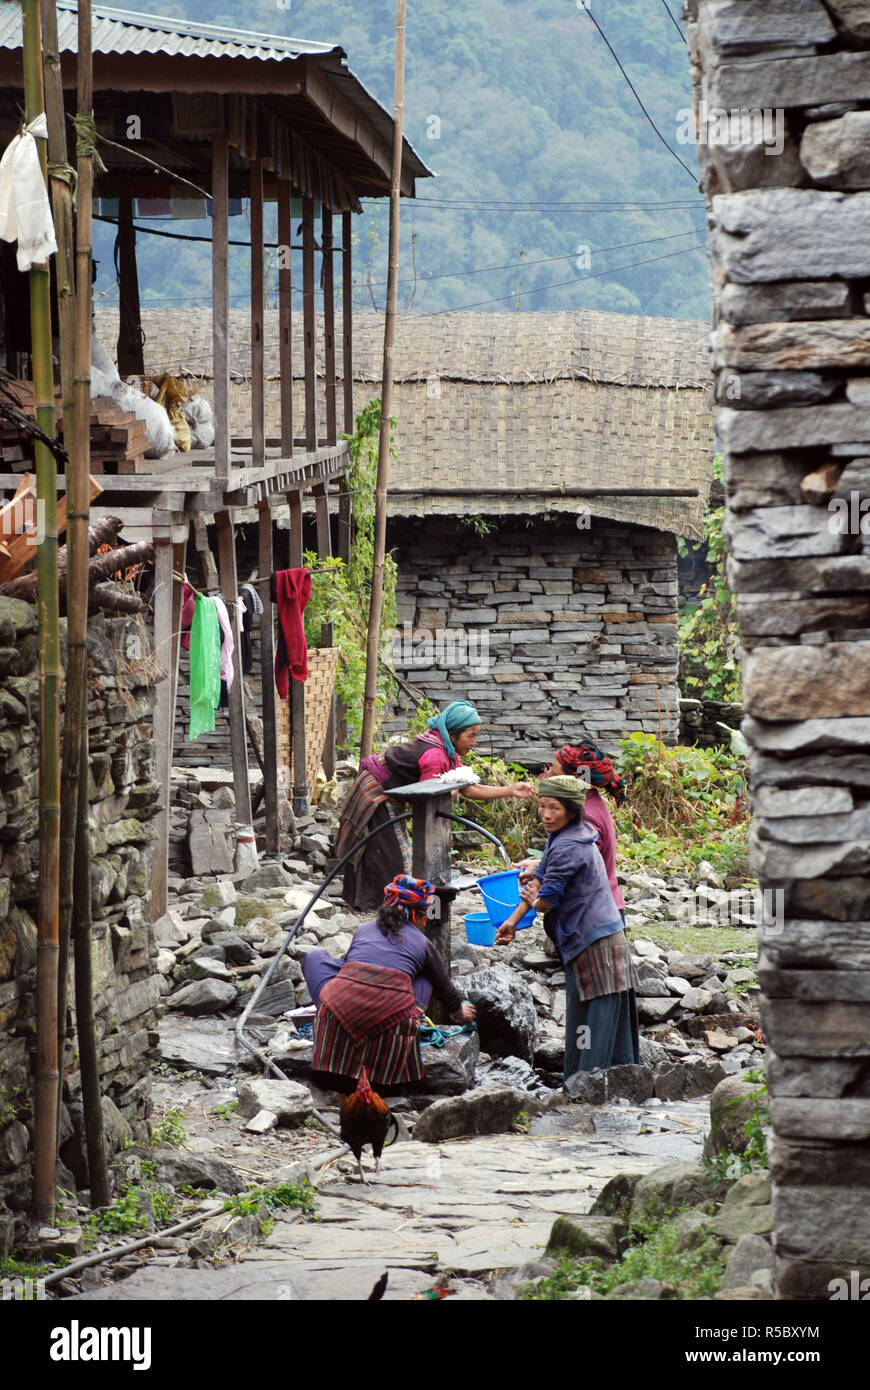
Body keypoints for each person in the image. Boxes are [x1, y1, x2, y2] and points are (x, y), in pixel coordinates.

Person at [495, 775, 639, 1083]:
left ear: (571, 810)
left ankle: (591, 1081)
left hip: (595, 939)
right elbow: (540, 879)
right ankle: (593, 1078)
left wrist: (536, 903)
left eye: (554, 808)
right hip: (593, 935)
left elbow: (547, 899)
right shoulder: (567, 834)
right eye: (542, 806)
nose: (546, 815)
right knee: (585, 1010)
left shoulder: (568, 845)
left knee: (595, 1013)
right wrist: (513, 920)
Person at [336, 699, 536, 910]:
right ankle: (380, 909)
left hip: (394, 791)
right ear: (452, 734)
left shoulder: (447, 750)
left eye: (477, 735)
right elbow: (427, 800)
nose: (475, 741)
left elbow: (466, 787)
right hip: (376, 792)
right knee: (388, 851)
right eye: (471, 735)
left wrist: (511, 790)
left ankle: (381, 904)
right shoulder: (435, 755)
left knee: (393, 850)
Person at [301, 875, 477, 1091]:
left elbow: (347, 968)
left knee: (315, 958)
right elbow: (445, 989)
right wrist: (459, 1012)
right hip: (391, 1026)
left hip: (339, 1013)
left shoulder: (364, 930)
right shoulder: (423, 943)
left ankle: (335, 1036)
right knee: (425, 977)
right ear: (421, 914)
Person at [537, 740, 627, 922]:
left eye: (554, 773)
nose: (548, 777)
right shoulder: (588, 802)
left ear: (576, 778)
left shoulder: (586, 816)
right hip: (602, 910)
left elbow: (578, 865)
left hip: (597, 917)